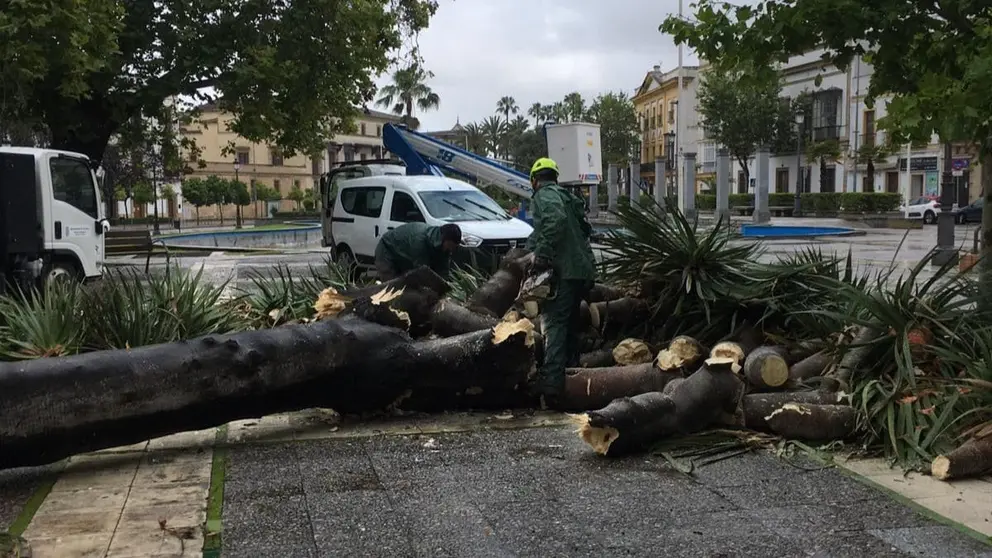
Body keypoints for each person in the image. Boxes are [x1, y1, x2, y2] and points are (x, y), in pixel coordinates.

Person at [525, 157, 596, 407]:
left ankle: (552, 390)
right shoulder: (569, 198)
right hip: (581, 271)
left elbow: (554, 222)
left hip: (564, 273)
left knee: (553, 325)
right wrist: (529, 249)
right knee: (570, 326)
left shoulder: (545, 195)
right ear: (555, 176)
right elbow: (578, 230)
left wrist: (542, 255)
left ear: (535, 180)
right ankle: (573, 379)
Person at [373, 222, 461, 280]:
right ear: (443, 238)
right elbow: (421, 270)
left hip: (404, 257)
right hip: (387, 251)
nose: (450, 250)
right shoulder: (420, 240)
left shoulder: (444, 248)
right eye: (450, 246)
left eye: (453, 248)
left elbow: (443, 271)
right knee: (391, 288)